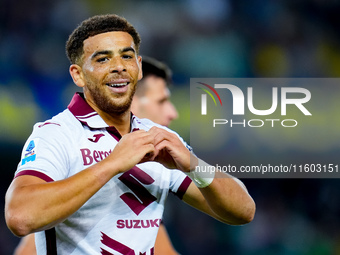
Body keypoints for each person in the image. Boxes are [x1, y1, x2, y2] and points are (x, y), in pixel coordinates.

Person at [5, 14, 255, 255]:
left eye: (127, 56)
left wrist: (193, 165)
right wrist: (112, 164)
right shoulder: (56, 134)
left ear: (139, 66)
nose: (118, 67)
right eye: (102, 59)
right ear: (78, 74)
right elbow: (20, 217)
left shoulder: (158, 138)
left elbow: (243, 212)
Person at [13, 57, 180, 255]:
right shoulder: (79, 163)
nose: (172, 113)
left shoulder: (155, 167)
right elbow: (25, 228)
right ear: (130, 100)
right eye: (161, 101)